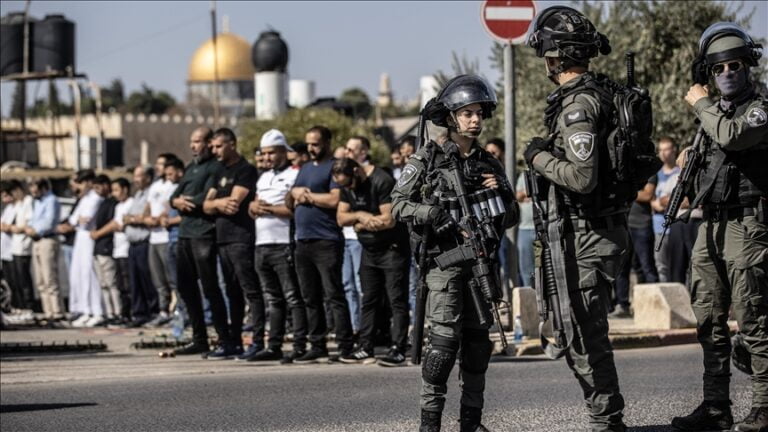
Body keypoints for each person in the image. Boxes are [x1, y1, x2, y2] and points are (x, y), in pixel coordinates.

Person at [391, 74, 518, 432]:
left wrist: (502, 194)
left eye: (478, 113)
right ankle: (429, 425)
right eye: (467, 113)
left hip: (480, 265)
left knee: (478, 349)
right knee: (443, 349)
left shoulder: (488, 163)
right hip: (445, 266)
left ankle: (471, 423)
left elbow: (511, 217)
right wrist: (430, 212)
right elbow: (398, 205)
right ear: (451, 117)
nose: (475, 120)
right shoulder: (427, 160)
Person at [524, 6, 628, 431]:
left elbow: (582, 178)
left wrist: (537, 156)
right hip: (590, 233)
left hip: (586, 236)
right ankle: (607, 418)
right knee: (583, 334)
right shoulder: (597, 94)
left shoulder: (578, 107)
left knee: (585, 336)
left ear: (557, 57)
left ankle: (607, 422)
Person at [671, 22, 768, 432]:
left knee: (753, 317)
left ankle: (764, 404)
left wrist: (700, 104)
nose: (727, 73)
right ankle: (716, 405)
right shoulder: (712, 117)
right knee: (708, 318)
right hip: (709, 225)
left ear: (749, 67)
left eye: (735, 65)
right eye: (718, 68)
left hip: (747, 225)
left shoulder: (759, 109)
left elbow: (733, 137)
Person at [286, 125, 355, 364]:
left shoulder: (334, 166)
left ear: (326, 142)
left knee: (333, 294)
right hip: (302, 241)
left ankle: (346, 346)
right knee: (310, 297)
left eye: (315, 144)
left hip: (326, 240)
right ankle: (317, 345)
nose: (311, 148)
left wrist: (308, 196)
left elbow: (335, 199)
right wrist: (294, 193)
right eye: (308, 144)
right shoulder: (304, 168)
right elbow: (290, 199)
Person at [334, 158, 411, 366]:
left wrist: (360, 225)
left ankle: (398, 348)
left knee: (396, 299)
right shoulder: (346, 184)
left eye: (349, 183)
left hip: (392, 249)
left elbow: (388, 220)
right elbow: (341, 218)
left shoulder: (381, 180)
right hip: (370, 250)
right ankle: (365, 347)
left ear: (357, 171)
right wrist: (360, 215)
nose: (348, 189)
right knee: (369, 299)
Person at [203, 127, 264, 360]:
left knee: (251, 290)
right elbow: (206, 205)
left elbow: (234, 203)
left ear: (232, 144)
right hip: (222, 238)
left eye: (219, 146)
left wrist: (215, 203)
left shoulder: (245, 170)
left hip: (240, 238)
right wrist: (218, 203)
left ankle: (257, 341)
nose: (215, 151)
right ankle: (234, 341)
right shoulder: (218, 171)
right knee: (231, 292)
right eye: (213, 147)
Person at [170, 127, 230, 356]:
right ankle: (199, 338)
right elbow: (173, 196)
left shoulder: (215, 167)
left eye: (198, 142)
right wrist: (177, 202)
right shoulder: (191, 167)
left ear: (208, 142)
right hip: (185, 233)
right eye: (192, 142)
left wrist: (189, 203)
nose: (193, 146)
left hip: (203, 233)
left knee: (210, 288)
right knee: (185, 287)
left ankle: (224, 337)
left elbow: (208, 196)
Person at [249, 129, 308, 362]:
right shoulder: (263, 177)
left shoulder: (295, 175)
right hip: (261, 244)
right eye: (264, 153)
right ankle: (273, 345)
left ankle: (299, 344)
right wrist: (255, 208)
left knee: (293, 297)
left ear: (284, 151)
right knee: (272, 299)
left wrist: (269, 209)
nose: (267, 158)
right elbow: (252, 207)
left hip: (283, 243)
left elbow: (292, 210)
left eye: (272, 153)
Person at [60, 170, 105, 327]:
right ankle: (85, 310)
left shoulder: (95, 198)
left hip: (88, 239)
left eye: (80, 183)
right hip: (80, 239)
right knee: (79, 275)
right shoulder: (83, 199)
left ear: (87, 182)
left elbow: (86, 220)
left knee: (90, 275)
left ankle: (97, 311)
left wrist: (78, 220)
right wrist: (77, 220)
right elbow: (73, 220)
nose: (78, 187)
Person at [612, 175, 659, 318]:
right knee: (622, 268)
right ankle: (623, 305)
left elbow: (647, 195)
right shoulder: (624, 172)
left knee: (646, 267)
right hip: (624, 225)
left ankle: (654, 306)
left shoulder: (649, 172)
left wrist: (625, 192)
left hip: (641, 226)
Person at [143, 153, 179, 327]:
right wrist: (147, 218)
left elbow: (169, 208)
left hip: (167, 236)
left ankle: (177, 311)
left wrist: (159, 219)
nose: (158, 168)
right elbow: (148, 208)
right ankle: (163, 311)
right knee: (158, 279)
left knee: (172, 278)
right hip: (154, 237)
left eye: (161, 164)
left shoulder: (175, 186)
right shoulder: (155, 186)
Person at [122, 165, 158, 327]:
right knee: (134, 281)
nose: (135, 180)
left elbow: (145, 217)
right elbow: (126, 217)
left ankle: (153, 311)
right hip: (132, 243)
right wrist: (133, 218)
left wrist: (134, 219)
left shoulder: (152, 193)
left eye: (139, 176)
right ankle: (139, 313)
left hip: (144, 241)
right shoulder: (137, 195)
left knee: (147, 279)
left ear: (148, 178)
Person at [341, 136, 370, 333]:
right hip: (347, 238)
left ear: (363, 152)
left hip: (363, 240)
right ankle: (355, 328)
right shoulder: (344, 179)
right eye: (346, 150)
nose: (347, 154)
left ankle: (368, 330)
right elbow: (341, 216)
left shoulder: (371, 177)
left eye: (352, 150)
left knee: (362, 287)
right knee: (348, 286)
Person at [26, 178, 63, 323]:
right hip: (36, 240)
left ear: (43, 188)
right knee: (40, 280)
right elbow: (34, 219)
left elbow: (49, 222)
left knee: (50, 277)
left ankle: (57, 311)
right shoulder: (38, 201)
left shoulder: (51, 200)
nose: (33, 193)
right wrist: (29, 228)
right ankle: (48, 312)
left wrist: (35, 230)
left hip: (47, 239)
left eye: (35, 189)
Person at [89, 175, 121, 325]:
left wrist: (98, 233)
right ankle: (109, 312)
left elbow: (113, 223)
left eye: (98, 187)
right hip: (98, 248)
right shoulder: (103, 202)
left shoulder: (113, 203)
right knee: (103, 283)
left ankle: (118, 313)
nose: (96, 191)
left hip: (107, 247)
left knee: (111, 283)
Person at [650, 137, 681, 282]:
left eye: (666, 149)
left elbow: (680, 198)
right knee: (661, 265)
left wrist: (664, 201)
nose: (663, 153)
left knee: (678, 265)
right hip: (658, 226)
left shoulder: (680, 172)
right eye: (660, 150)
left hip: (676, 226)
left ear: (674, 150)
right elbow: (650, 198)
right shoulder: (655, 174)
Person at [4, 180, 35, 313]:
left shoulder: (28, 201)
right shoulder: (16, 205)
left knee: (24, 280)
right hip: (14, 247)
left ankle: (28, 307)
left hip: (23, 245)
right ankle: (20, 306)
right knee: (15, 280)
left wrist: (15, 228)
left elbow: (28, 223)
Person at [109, 178, 134, 322]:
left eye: (116, 190)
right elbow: (117, 223)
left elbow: (121, 225)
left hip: (126, 248)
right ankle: (123, 313)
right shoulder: (118, 206)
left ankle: (129, 313)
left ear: (125, 189)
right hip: (117, 249)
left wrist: (118, 225)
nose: (114, 194)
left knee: (127, 283)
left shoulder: (131, 203)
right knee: (120, 284)